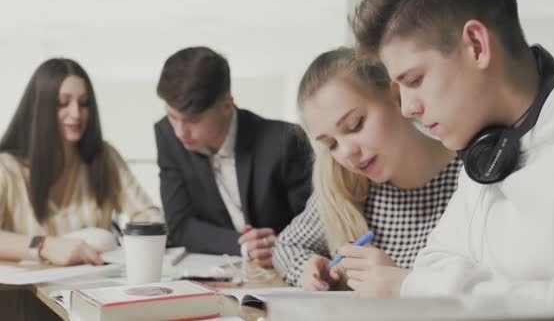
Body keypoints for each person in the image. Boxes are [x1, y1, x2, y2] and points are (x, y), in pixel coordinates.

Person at [350, 0, 554, 320]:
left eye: (414, 81)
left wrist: (413, 287)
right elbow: (433, 264)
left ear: (476, 45)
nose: (407, 108)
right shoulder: (487, 155)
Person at [272, 47, 461, 295]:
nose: (347, 153)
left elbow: (490, 293)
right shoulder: (345, 184)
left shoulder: (470, 179)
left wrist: (402, 283)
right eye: (331, 144)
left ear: (397, 96)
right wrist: (307, 268)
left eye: (355, 125)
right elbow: (285, 246)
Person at [154, 46, 312, 268]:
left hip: (284, 272)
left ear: (227, 105)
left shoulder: (285, 142)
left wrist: (276, 246)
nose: (180, 132)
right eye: (172, 116)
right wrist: (244, 245)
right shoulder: (167, 135)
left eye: (193, 120)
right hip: (216, 273)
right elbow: (180, 226)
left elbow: (314, 227)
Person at [0, 58, 162, 266]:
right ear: (40, 108)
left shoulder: (104, 157)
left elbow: (149, 215)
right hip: (24, 297)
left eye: (84, 103)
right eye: (63, 103)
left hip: (92, 288)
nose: (76, 114)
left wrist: (133, 244)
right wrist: (44, 246)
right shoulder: (6, 169)